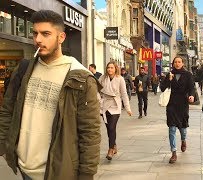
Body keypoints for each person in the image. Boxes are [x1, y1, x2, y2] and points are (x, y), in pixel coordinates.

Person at [0, 10, 101, 180]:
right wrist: (4, 145)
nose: (38, 39)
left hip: (58, 171)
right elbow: (8, 111)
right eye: (35, 33)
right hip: (24, 168)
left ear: (61, 37)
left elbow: (90, 133)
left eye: (46, 34)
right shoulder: (24, 69)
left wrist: (86, 174)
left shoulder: (80, 77)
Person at [160, 56, 195, 164]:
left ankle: (183, 140)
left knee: (183, 128)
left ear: (182, 63)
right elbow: (162, 88)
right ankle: (174, 152)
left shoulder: (188, 75)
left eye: (179, 62)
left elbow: (191, 88)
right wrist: (168, 80)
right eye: (175, 62)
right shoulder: (170, 74)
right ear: (173, 63)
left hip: (183, 104)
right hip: (171, 104)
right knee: (172, 128)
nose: (177, 63)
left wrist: (192, 96)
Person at [98, 62, 132, 160]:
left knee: (112, 127)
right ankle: (114, 145)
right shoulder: (102, 78)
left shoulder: (120, 79)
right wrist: (99, 100)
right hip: (104, 105)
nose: (109, 69)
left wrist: (128, 108)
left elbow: (124, 94)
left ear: (115, 69)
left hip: (115, 105)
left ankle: (110, 149)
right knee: (109, 128)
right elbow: (96, 90)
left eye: (112, 68)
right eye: (108, 67)